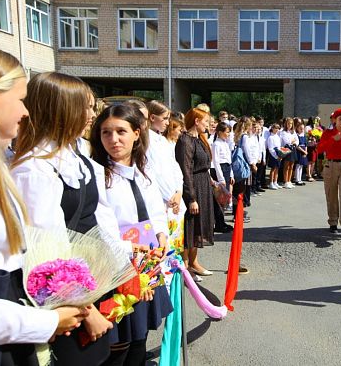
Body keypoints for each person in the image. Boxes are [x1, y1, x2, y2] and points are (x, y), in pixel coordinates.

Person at [0, 43, 88, 365]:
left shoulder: (0, 166)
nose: (25, 111)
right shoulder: (31, 168)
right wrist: (48, 319)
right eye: (19, 99)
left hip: (11, 328)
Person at [12, 72, 122, 365]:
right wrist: (88, 311)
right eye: (84, 107)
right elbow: (46, 256)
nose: (91, 115)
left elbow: (95, 219)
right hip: (65, 300)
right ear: (59, 110)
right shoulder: (35, 169)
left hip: (87, 286)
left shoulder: (74, 156)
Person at [89, 104, 173, 366]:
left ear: (137, 133)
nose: (113, 140)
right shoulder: (97, 175)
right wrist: (133, 267)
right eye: (106, 133)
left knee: (140, 339)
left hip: (147, 266)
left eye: (121, 131)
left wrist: (161, 234)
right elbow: (103, 229)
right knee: (118, 347)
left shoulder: (143, 172)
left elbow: (155, 212)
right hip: (118, 270)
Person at [175, 108, 215, 281]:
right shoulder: (185, 140)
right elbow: (185, 170)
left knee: (199, 225)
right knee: (190, 227)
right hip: (193, 187)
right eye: (205, 121)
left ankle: (194, 262)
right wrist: (191, 197)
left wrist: (213, 183)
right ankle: (185, 266)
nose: (208, 124)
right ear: (197, 121)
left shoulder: (200, 139)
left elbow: (205, 164)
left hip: (203, 184)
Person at [316, 108, 341, 233]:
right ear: (335, 121)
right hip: (331, 165)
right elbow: (319, 149)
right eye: (340, 119)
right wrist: (333, 140)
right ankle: (333, 221)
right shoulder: (328, 133)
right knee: (331, 195)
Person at [211, 122, 234, 233]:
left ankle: (222, 221)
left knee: (224, 198)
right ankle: (219, 223)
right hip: (220, 170)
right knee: (220, 199)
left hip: (227, 168)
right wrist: (221, 179)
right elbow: (216, 162)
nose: (228, 134)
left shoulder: (225, 143)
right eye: (227, 132)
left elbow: (229, 160)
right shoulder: (216, 144)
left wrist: (231, 174)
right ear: (220, 132)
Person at [279, 117, 298, 188]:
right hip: (286, 149)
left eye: (291, 123)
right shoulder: (283, 132)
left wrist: (294, 142)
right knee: (286, 166)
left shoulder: (293, 132)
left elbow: (297, 140)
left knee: (291, 166)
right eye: (288, 123)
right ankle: (285, 181)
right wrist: (292, 141)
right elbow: (287, 141)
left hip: (293, 149)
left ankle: (289, 181)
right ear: (286, 124)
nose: (289, 125)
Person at [266, 124, 282, 189]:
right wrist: (275, 156)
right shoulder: (270, 137)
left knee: (277, 169)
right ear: (272, 128)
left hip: (278, 155)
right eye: (275, 128)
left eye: (278, 128)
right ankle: (271, 183)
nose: (276, 130)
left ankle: (275, 182)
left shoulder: (278, 137)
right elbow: (270, 148)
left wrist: (280, 155)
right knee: (273, 169)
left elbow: (279, 147)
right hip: (273, 155)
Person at [294, 122, 308, 186]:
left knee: (301, 165)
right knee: (298, 165)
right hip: (299, 151)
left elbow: (305, 144)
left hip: (303, 151)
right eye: (300, 128)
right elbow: (297, 146)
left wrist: (306, 151)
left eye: (303, 128)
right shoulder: (296, 135)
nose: (302, 130)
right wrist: (303, 151)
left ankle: (300, 179)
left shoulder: (304, 136)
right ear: (297, 128)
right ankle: (297, 179)